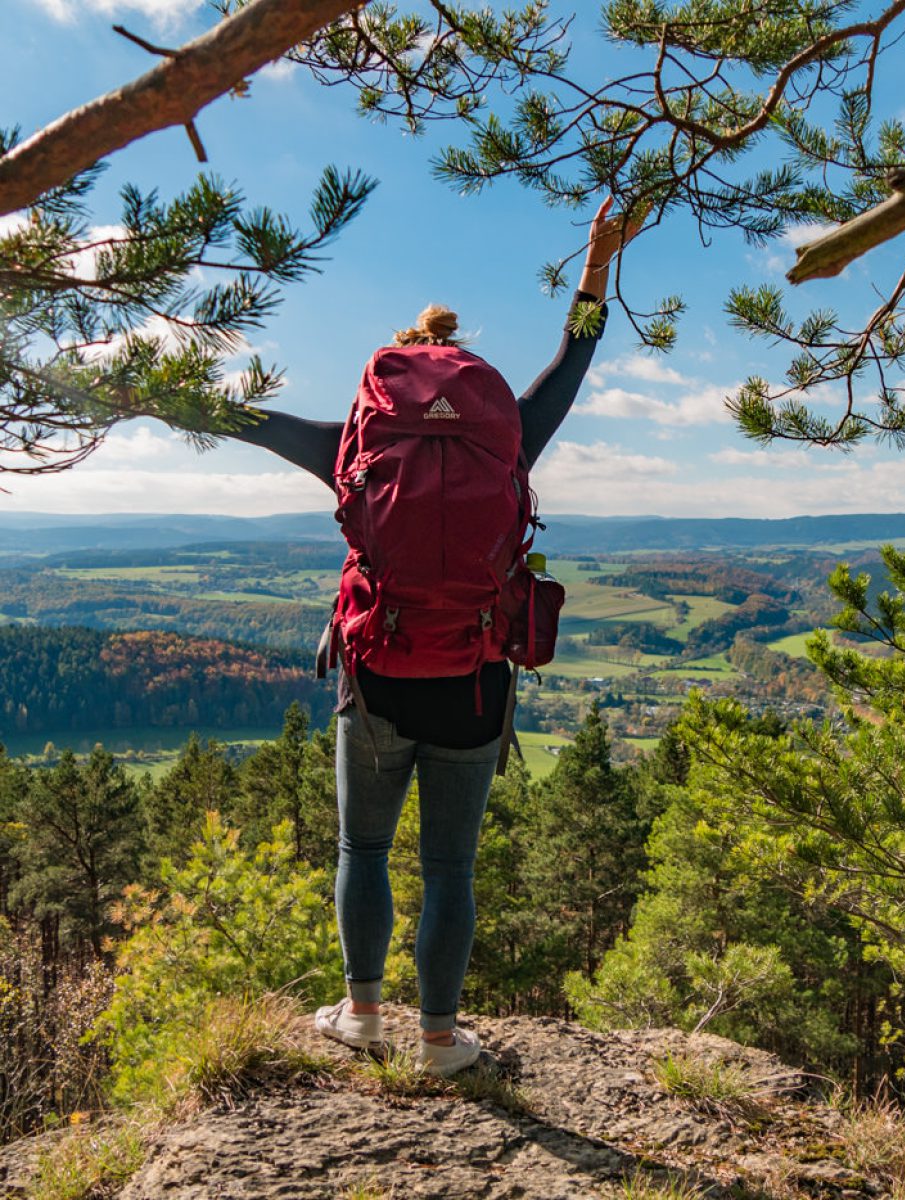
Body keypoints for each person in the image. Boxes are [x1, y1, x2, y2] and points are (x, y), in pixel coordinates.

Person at [225, 199, 638, 1075]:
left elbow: (239, 422)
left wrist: (137, 387)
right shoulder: (508, 433)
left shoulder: (355, 441)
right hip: (476, 679)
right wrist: (597, 262)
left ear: (393, 372)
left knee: (363, 850)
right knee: (450, 868)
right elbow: (576, 357)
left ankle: (363, 1016)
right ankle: (442, 1043)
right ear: (463, 369)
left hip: (376, 675)